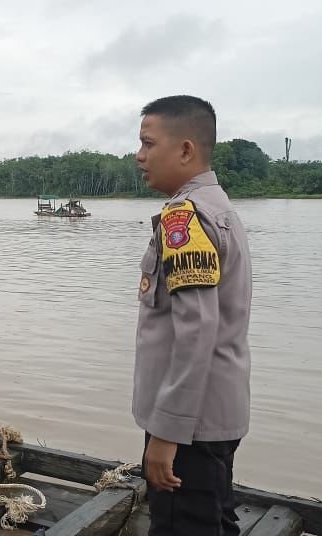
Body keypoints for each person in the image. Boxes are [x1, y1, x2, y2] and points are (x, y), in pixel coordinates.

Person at [133, 95, 253, 536]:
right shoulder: (216, 208)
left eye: (148, 144)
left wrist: (167, 435)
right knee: (214, 520)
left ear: (185, 150)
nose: (139, 156)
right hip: (210, 415)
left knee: (182, 527)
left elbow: (197, 332)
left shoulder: (185, 219)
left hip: (189, 427)